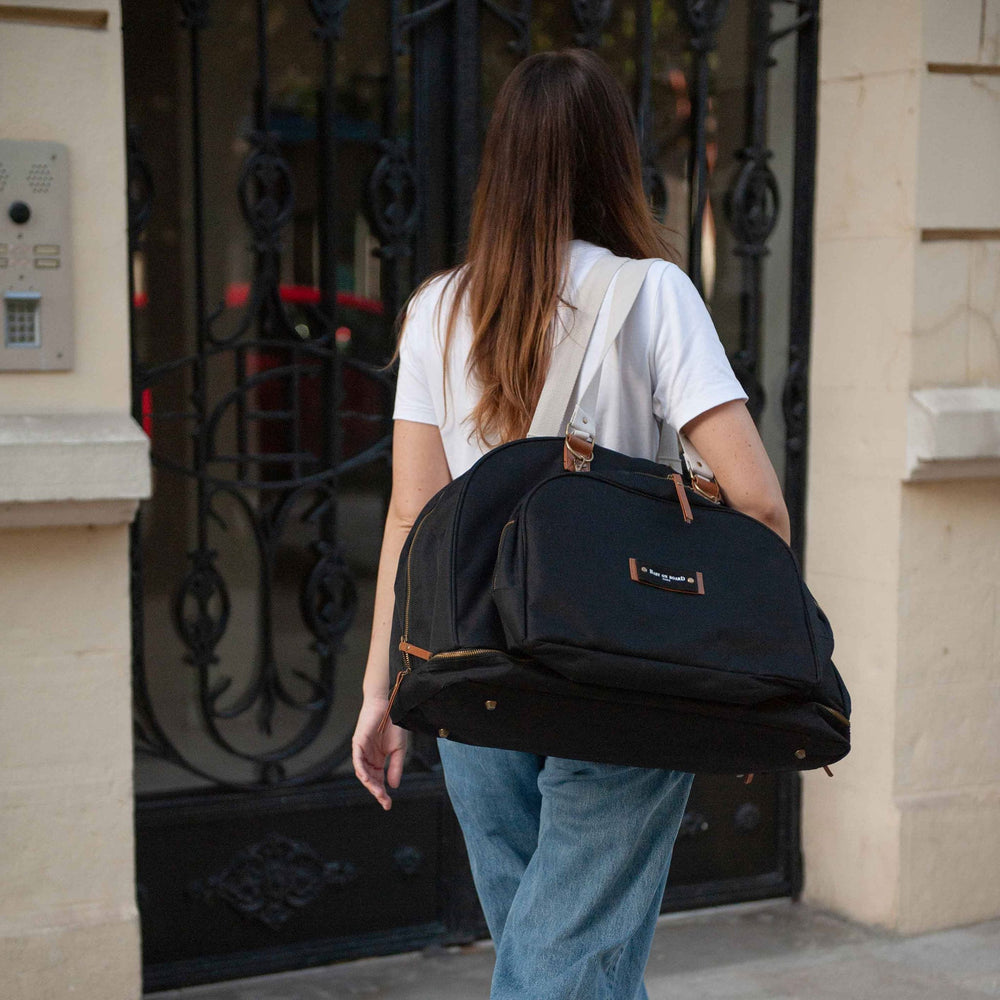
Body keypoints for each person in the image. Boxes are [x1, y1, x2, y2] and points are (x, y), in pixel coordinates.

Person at [352, 47, 791, 1000]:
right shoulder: (654, 294)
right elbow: (756, 501)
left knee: (559, 962)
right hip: (624, 670)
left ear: (501, 163)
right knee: (564, 968)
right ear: (613, 160)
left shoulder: (435, 311)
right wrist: (748, 683)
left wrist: (383, 689)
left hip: (474, 666)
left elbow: (412, 515)